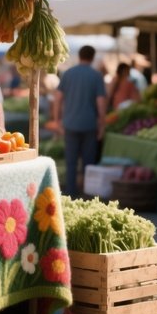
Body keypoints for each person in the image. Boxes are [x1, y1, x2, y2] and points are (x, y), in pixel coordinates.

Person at [52, 45, 107, 199]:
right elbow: (101, 102)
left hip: (70, 123)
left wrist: (57, 120)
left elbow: (57, 98)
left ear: (79, 56)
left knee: (71, 162)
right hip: (89, 124)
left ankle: (70, 194)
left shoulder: (68, 74)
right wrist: (102, 123)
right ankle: (88, 195)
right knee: (88, 162)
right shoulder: (96, 76)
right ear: (92, 57)